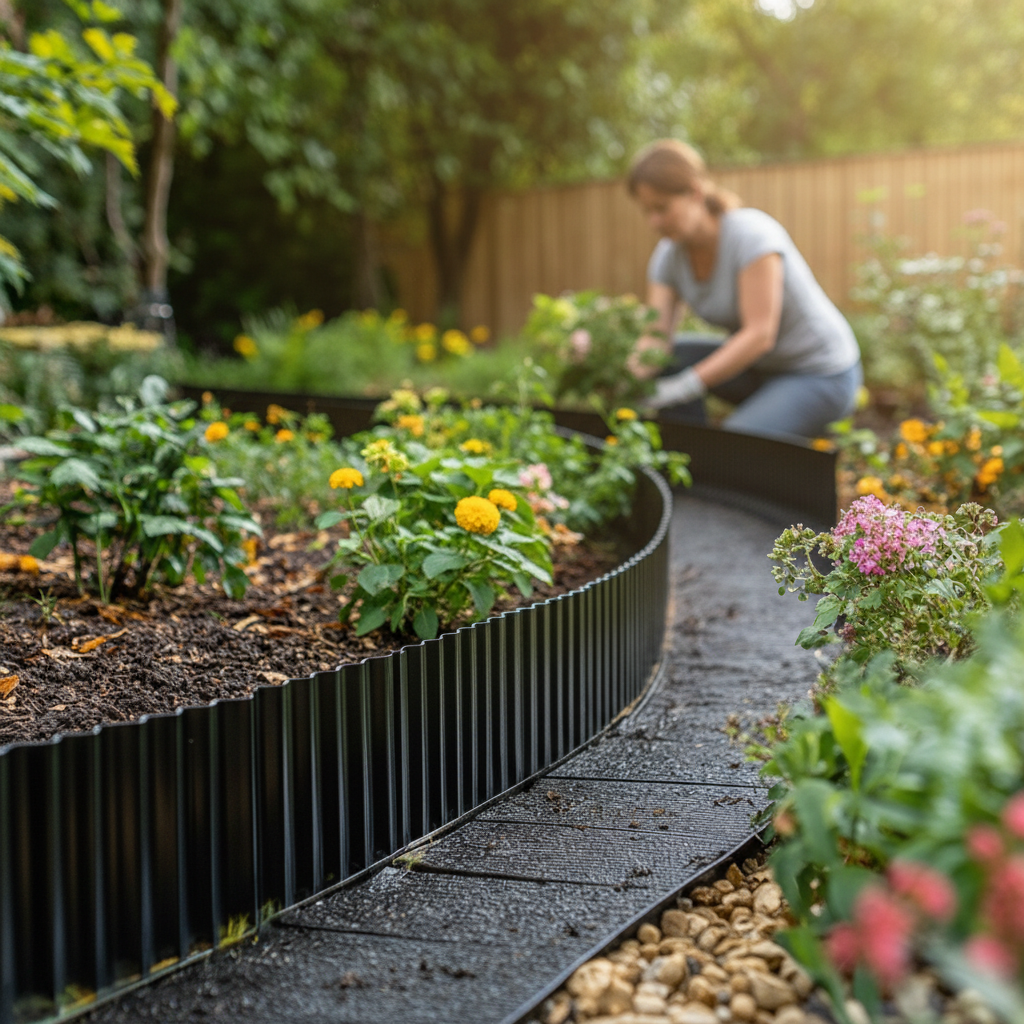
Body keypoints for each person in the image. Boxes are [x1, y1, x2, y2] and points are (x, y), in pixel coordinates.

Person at [626, 139, 862, 439]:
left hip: (819, 374)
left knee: (737, 444)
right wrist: (626, 380)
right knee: (673, 357)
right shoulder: (668, 257)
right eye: (646, 211)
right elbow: (655, 338)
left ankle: (720, 458)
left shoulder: (751, 237)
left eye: (662, 208)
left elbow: (759, 336)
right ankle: (686, 458)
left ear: (695, 192)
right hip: (760, 372)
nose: (654, 222)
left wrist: (683, 387)